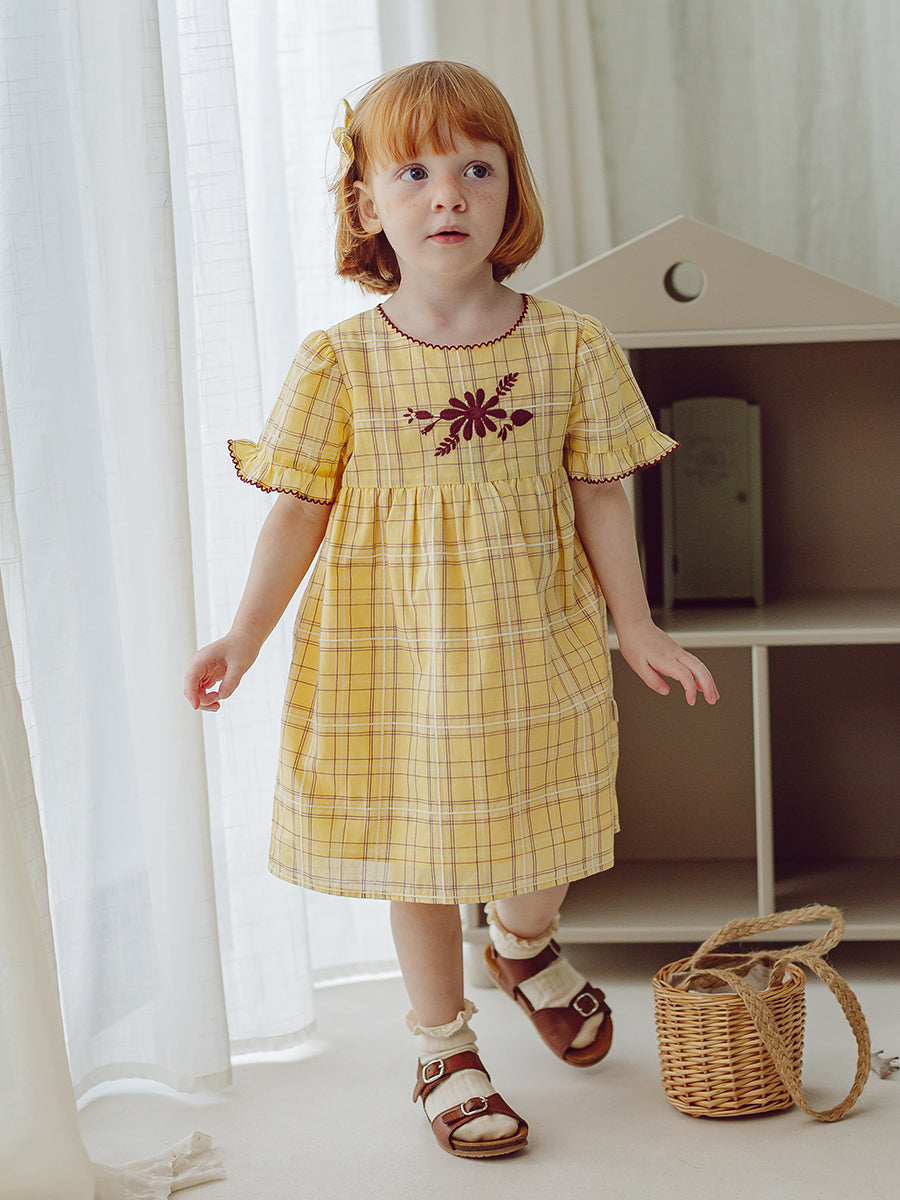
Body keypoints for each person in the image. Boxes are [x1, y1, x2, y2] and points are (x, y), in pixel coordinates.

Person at [184, 60, 719, 1159]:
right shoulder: (338, 363)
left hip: (536, 645)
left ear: (512, 191)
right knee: (420, 858)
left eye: (477, 169)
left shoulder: (572, 346)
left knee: (547, 841)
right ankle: (444, 1048)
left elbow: (600, 493)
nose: (448, 196)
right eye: (415, 173)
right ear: (366, 204)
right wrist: (244, 635)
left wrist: (636, 624)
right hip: (397, 659)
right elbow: (296, 513)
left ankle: (522, 945)